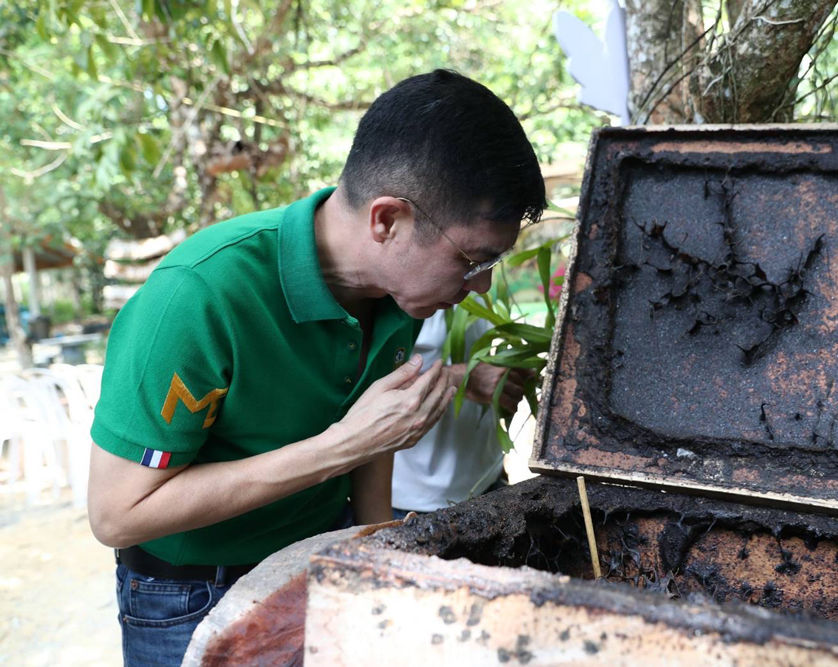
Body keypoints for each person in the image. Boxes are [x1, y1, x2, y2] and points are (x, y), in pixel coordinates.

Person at [86, 69, 546, 666]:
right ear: (387, 221)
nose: (479, 284)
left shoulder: (395, 291)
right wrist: (340, 446)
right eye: (470, 260)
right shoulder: (199, 298)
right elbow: (117, 512)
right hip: (191, 587)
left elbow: (374, 435)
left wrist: (384, 552)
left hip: (323, 554)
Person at [391, 310, 532, 516]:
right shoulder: (395, 299)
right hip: (420, 498)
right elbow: (373, 387)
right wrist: (463, 378)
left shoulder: (473, 286)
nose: (483, 283)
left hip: (486, 480)